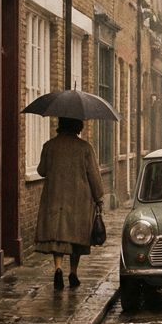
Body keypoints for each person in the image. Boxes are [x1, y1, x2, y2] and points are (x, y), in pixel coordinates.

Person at [35, 117, 104, 290]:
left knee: (59, 235)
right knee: (77, 237)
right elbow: (94, 176)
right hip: (79, 200)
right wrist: (99, 198)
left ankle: (58, 268)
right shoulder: (85, 148)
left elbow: (41, 170)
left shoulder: (49, 146)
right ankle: (73, 273)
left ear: (60, 125)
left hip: (55, 198)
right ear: (78, 127)